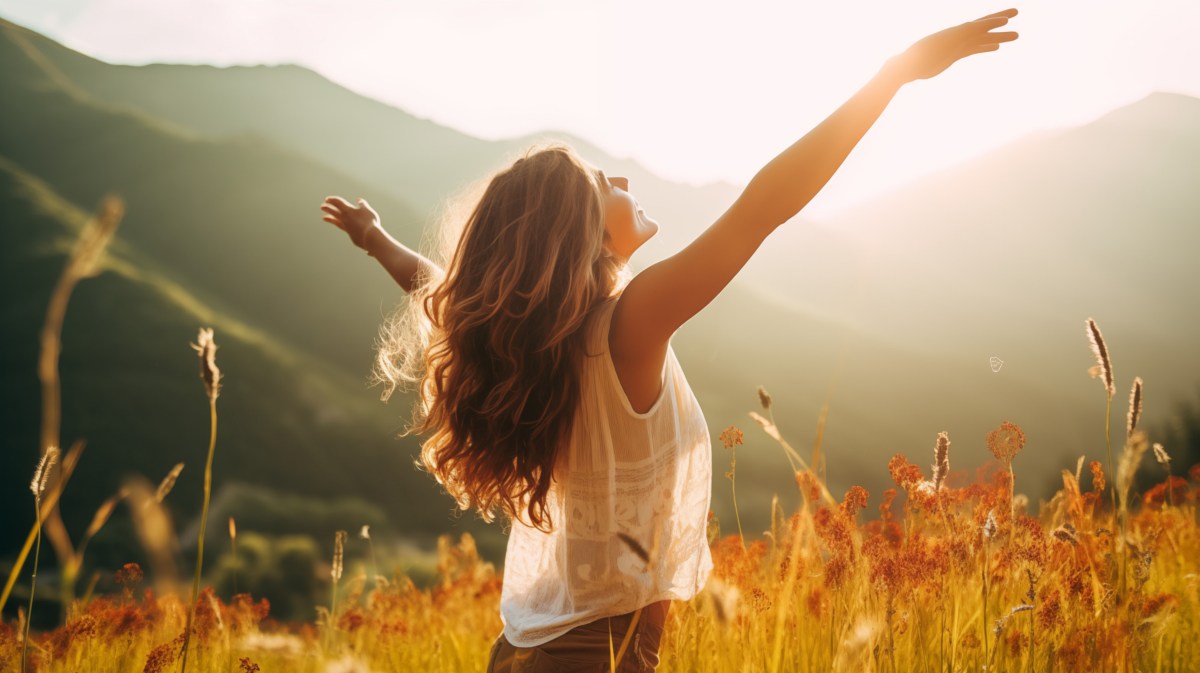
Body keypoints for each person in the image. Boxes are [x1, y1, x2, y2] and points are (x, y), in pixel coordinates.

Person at [319, 9, 1018, 671]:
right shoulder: (629, 324)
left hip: (529, 646)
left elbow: (453, 295)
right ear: (582, 236)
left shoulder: (540, 339)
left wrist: (378, 242)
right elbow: (761, 208)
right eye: (603, 184)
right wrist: (892, 76)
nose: (623, 178)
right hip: (594, 653)